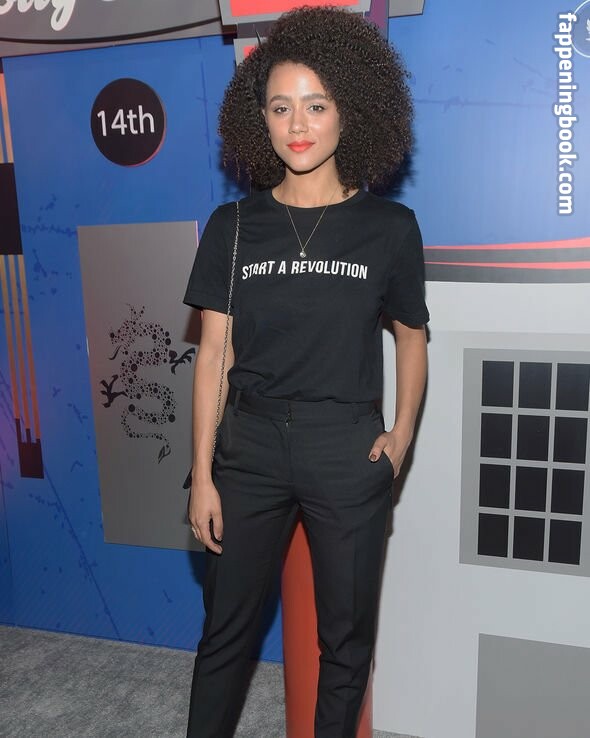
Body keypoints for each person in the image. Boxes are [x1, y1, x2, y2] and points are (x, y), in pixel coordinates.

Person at [182, 6, 429, 737]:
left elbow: (412, 338)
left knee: (346, 644)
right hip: (250, 449)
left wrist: (401, 435)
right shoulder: (232, 228)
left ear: (349, 113)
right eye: (280, 106)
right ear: (258, 118)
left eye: (316, 105)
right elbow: (214, 356)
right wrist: (203, 473)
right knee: (225, 632)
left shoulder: (389, 229)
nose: (298, 124)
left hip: (345, 448)